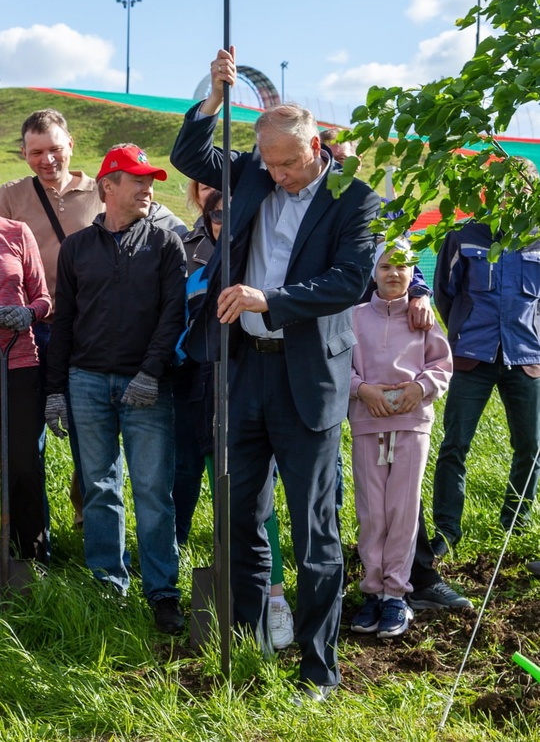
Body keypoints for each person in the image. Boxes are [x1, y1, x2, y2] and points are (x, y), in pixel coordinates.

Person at [170, 45, 380, 703]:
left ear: (316, 144)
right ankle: (249, 645)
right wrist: (213, 96)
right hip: (243, 375)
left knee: (315, 530)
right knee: (240, 517)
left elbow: (352, 280)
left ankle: (318, 670)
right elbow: (190, 157)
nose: (282, 174)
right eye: (272, 162)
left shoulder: (354, 197)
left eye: (292, 162)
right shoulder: (254, 173)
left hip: (308, 379)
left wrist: (272, 301)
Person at [44, 144, 187, 634]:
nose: (148, 189)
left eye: (150, 181)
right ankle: (109, 581)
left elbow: (173, 316)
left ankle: (163, 589)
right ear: (109, 186)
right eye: (138, 180)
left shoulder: (167, 244)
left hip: (145, 384)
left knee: (152, 489)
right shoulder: (78, 248)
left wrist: (150, 372)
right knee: (100, 487)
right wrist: (55, 389)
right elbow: (64, 322)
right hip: (85, 381)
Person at [175, 188, 295, 649]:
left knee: (263, 506)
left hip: (269, 395)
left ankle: (277, 595)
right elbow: (183, 337)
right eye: (217, 214)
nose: (225, 220)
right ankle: (237, 600)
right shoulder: (197, 276)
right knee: (229, 506)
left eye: (233, 212)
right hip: (210, 399)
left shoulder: (267, 273)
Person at [0, 109, 105, 530]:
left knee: (89, 431)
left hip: (87, 329)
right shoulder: (10, 196)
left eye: (55, 149)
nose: (47, 160)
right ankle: (32, 529)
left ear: (71, 146)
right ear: (24, 153)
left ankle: (86, 516)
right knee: (28, 436)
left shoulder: (100, 192)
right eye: (36, 151)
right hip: (28, 328)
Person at [431, 158, 540, 556]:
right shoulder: (465, 236)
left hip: (527, 359)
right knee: (455, 445)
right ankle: (446, 532)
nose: (510, 196)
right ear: (490, 191)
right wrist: (463, 333)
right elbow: (444, 293)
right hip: (471, 359)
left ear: (531, 193)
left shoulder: (538, 237)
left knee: (530, 446)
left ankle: (516, 523)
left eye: (520, 189)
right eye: (503, 188)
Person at [348, 241, 452, 638]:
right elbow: (338, 364)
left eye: (403, 266)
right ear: (373, 273)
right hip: (368, 423)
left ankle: (396, 594)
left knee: (403, 509)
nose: (394, 273)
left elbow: (442, 363)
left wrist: (421, 388)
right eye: (386, 266)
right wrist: (362, 390)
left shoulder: (422, 317)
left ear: (414, 273)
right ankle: (372, 591)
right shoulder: (355, 318)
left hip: (411, 425)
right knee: (372, 510)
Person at [0, 218, 51, 562]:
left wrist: (28, 313)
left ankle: (30, 560)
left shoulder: (16, 231)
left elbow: (44, 298)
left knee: (23, 467)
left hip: (18, 364)